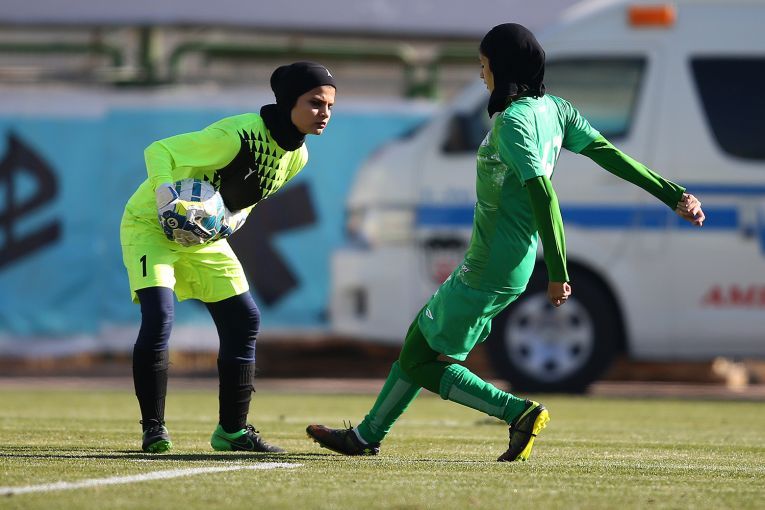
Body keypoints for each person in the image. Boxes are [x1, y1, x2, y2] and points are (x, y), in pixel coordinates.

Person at [306, 24, 705, 462]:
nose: (482, 75)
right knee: (419, 341)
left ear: (503, 67)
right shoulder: (554, 109)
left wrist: (559, 273)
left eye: (484, 65)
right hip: (505, 260)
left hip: (492, 264)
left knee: (420, 358)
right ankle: (365, 436)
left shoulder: (514, 123)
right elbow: (610, 154)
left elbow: (543, 195)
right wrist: (674, 195)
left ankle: (516, 412)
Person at [120, 61, 336, 453]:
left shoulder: (298, 156)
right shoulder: (236, 136)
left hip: (203, 237)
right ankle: (154, 428)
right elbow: (159, 150)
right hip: (151, 225)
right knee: (159, 317)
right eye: (315, 103)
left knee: (244, 319)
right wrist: (165, 193)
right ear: (289, 101)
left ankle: (232, 432)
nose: (324, 113)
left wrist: (232, 220)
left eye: (330, 106)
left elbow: (247, 198)